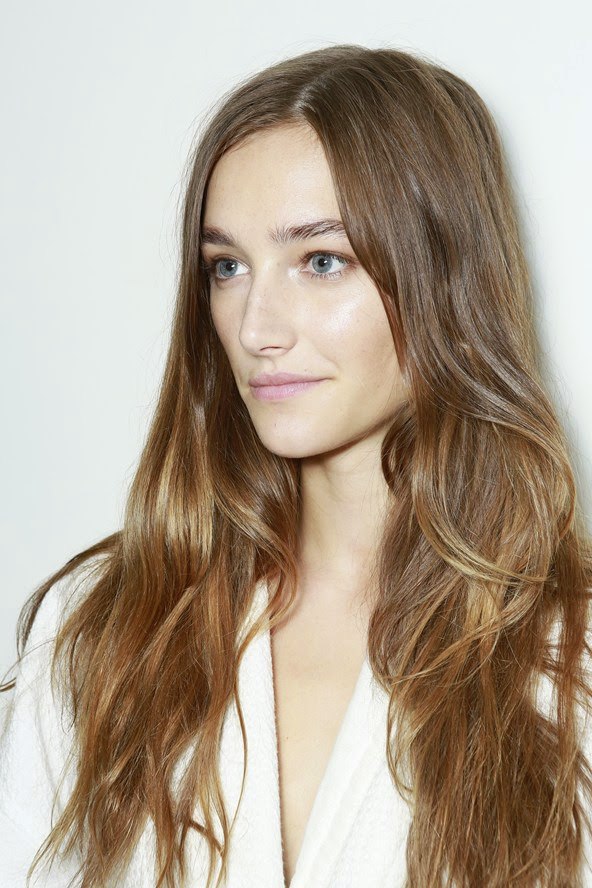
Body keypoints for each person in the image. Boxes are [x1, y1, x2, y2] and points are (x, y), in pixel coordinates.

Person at [1, 42, 592, 888]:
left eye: (321, 261)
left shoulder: (568, 666)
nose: (254, 327)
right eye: (227, 267)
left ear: (443, 276)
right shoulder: (105, 632)